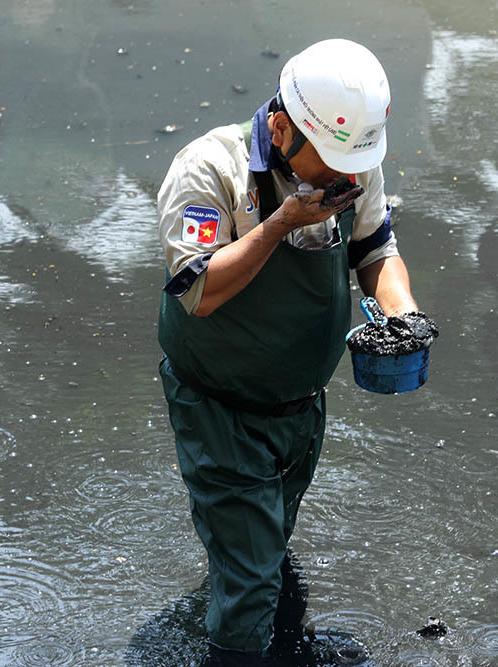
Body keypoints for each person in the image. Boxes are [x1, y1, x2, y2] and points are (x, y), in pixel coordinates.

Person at [156, 38, 436, 664]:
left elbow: (375, 251)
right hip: (218, 403)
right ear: (281, 127)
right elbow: (197, 291)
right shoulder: (209, 170)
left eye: (352, 164)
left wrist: (403, 314)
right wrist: (280, 222)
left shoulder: (352, 166)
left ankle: (234, 584)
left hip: (301, 406)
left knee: (264, 546)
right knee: (255, 580)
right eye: (331, 161)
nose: (346, 178)